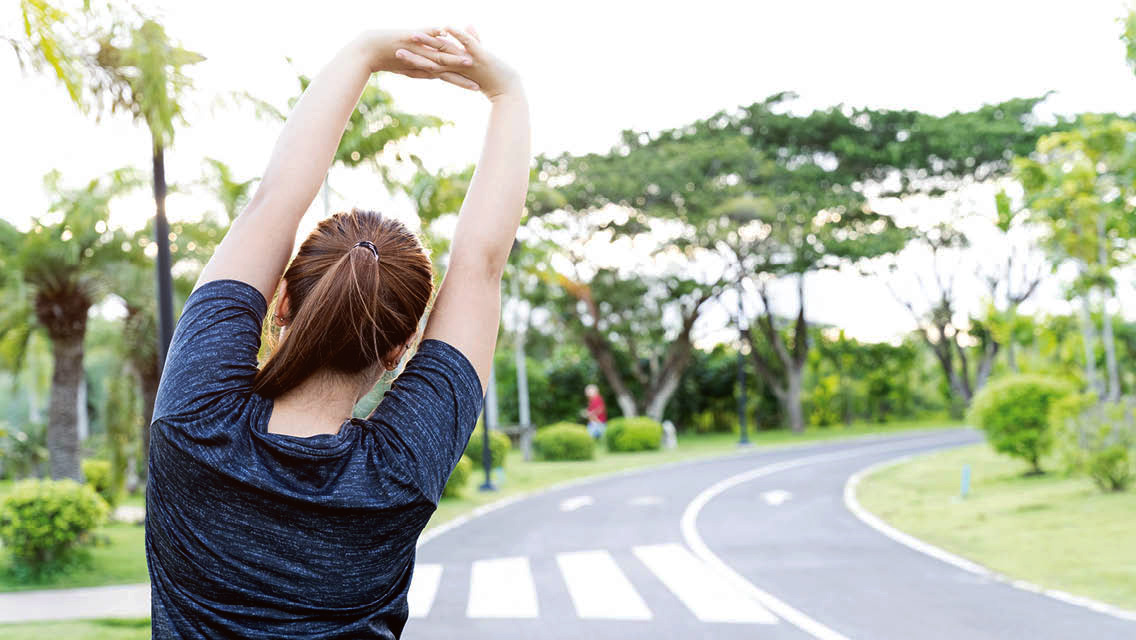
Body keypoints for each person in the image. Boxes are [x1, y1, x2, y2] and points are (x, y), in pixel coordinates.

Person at [145, 26, 529, 639]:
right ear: (400, 351)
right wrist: (506, 93)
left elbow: (273, 203)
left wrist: (366, 52)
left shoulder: (194, 422)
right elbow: (481, 267)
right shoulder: (399, 474)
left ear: (281, 303)